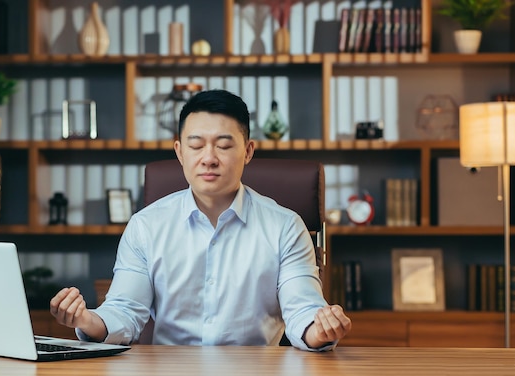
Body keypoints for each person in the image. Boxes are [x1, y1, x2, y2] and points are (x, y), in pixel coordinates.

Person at [50, 89, 352, 351]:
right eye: (196, 146)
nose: (209, 158)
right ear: (180, 152)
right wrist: (87, 320)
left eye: (223, 145)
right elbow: (125, 312)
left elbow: (303, 310)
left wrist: (320, 330)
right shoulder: (146, 226)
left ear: (247, 152)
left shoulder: (285, 227)